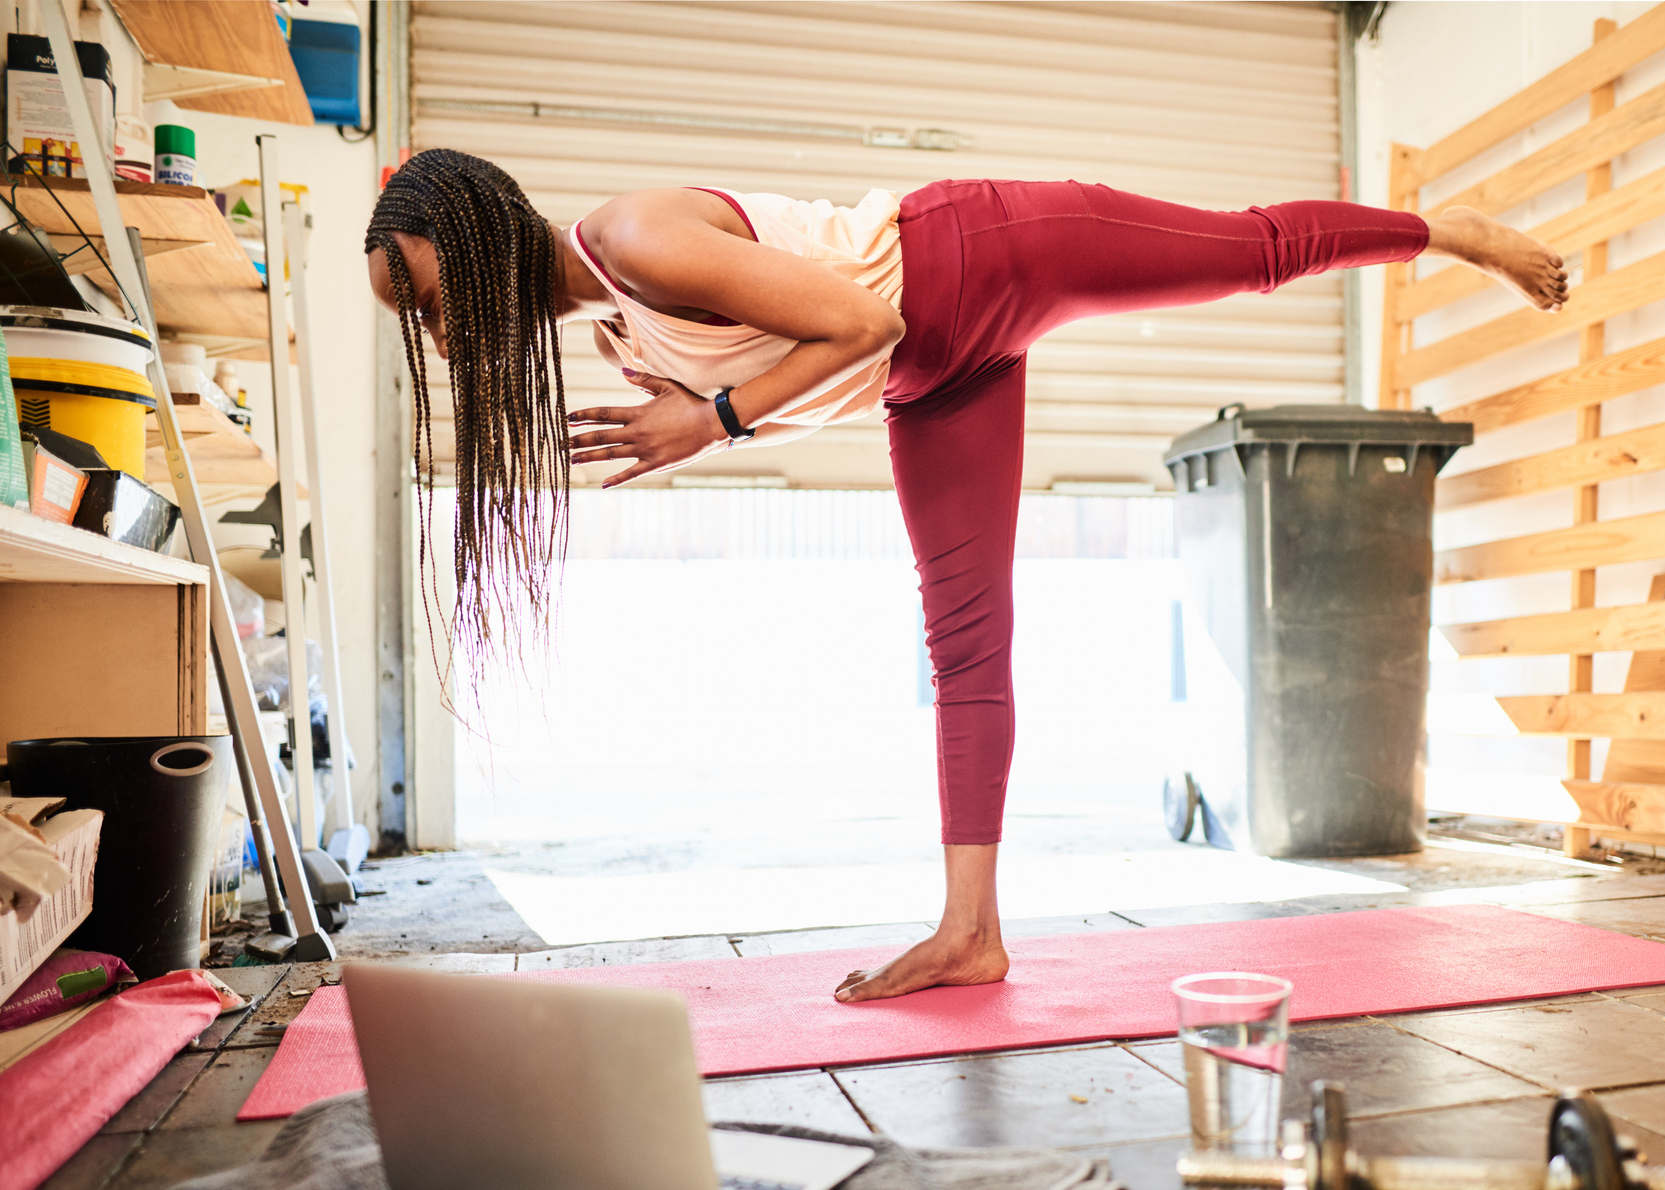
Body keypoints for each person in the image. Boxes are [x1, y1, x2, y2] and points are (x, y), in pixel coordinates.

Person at [365, 150, 1568, 1003]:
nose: (436, 331)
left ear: (469, 238)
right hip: (939, 376)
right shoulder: (620, 324)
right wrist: (709, 410)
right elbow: (843, 362)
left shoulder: (633, 239)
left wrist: (712, 419)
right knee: (963, 645)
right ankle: (970, 930)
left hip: (983, 251)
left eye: (422, 295)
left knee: (1247, 252)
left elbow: (859, 322)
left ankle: (1447, 230)